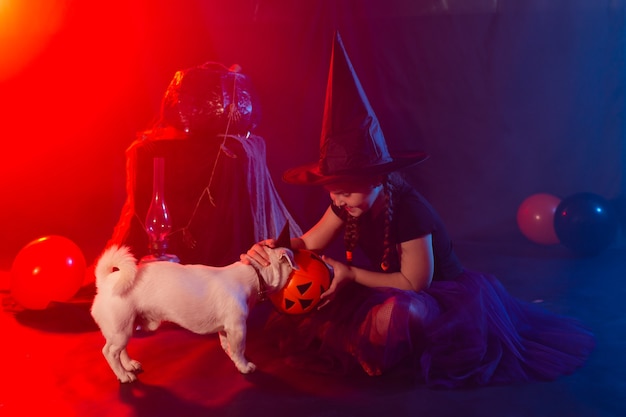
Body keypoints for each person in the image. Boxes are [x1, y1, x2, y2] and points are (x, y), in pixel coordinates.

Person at [242, 32, 595, 388]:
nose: (339, 202)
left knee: (401, 313)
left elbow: (414, 283)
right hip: (382, 285)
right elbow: (310, 242)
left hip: (434, 295)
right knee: (322, 308)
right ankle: (365, 342)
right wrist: (274, 246)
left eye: (346, 192)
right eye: (334, 193)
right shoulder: (345, 204)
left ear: (378, 179)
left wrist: (348, 274)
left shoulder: (410, 211)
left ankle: (382, 346)